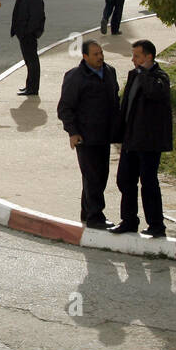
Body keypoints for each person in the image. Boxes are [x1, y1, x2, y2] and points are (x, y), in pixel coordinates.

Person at [110, 39, 172, 238]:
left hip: (149, 142)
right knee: (125, 180)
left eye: (137, 56)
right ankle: (129, 221)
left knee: (148, 183)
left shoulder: (159, 77)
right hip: (131, 139)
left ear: (149, 57)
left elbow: (155, 92)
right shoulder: (134, 75)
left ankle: (156, 224)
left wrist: (144, 72)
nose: (133, 59)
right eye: (133, 55)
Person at [56, 40, 121, 229]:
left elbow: (115, 102)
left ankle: (87, 211)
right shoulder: (75, 77)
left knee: (100, 175)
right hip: (85, 136)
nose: (100, 57)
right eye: (95, 54)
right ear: (85, 57)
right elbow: (65, 108)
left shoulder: (110, 72)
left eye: (101, 53)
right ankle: (95, 216)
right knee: (92, 176)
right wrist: (73, 132)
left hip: (104, 135)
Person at [10, 0, 46, 96]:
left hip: (28, 35)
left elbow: (36, 18)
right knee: (28, 61)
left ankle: (33, 88)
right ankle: (29, 86)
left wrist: (27, 32)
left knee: (32, 61)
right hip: (23, 34)